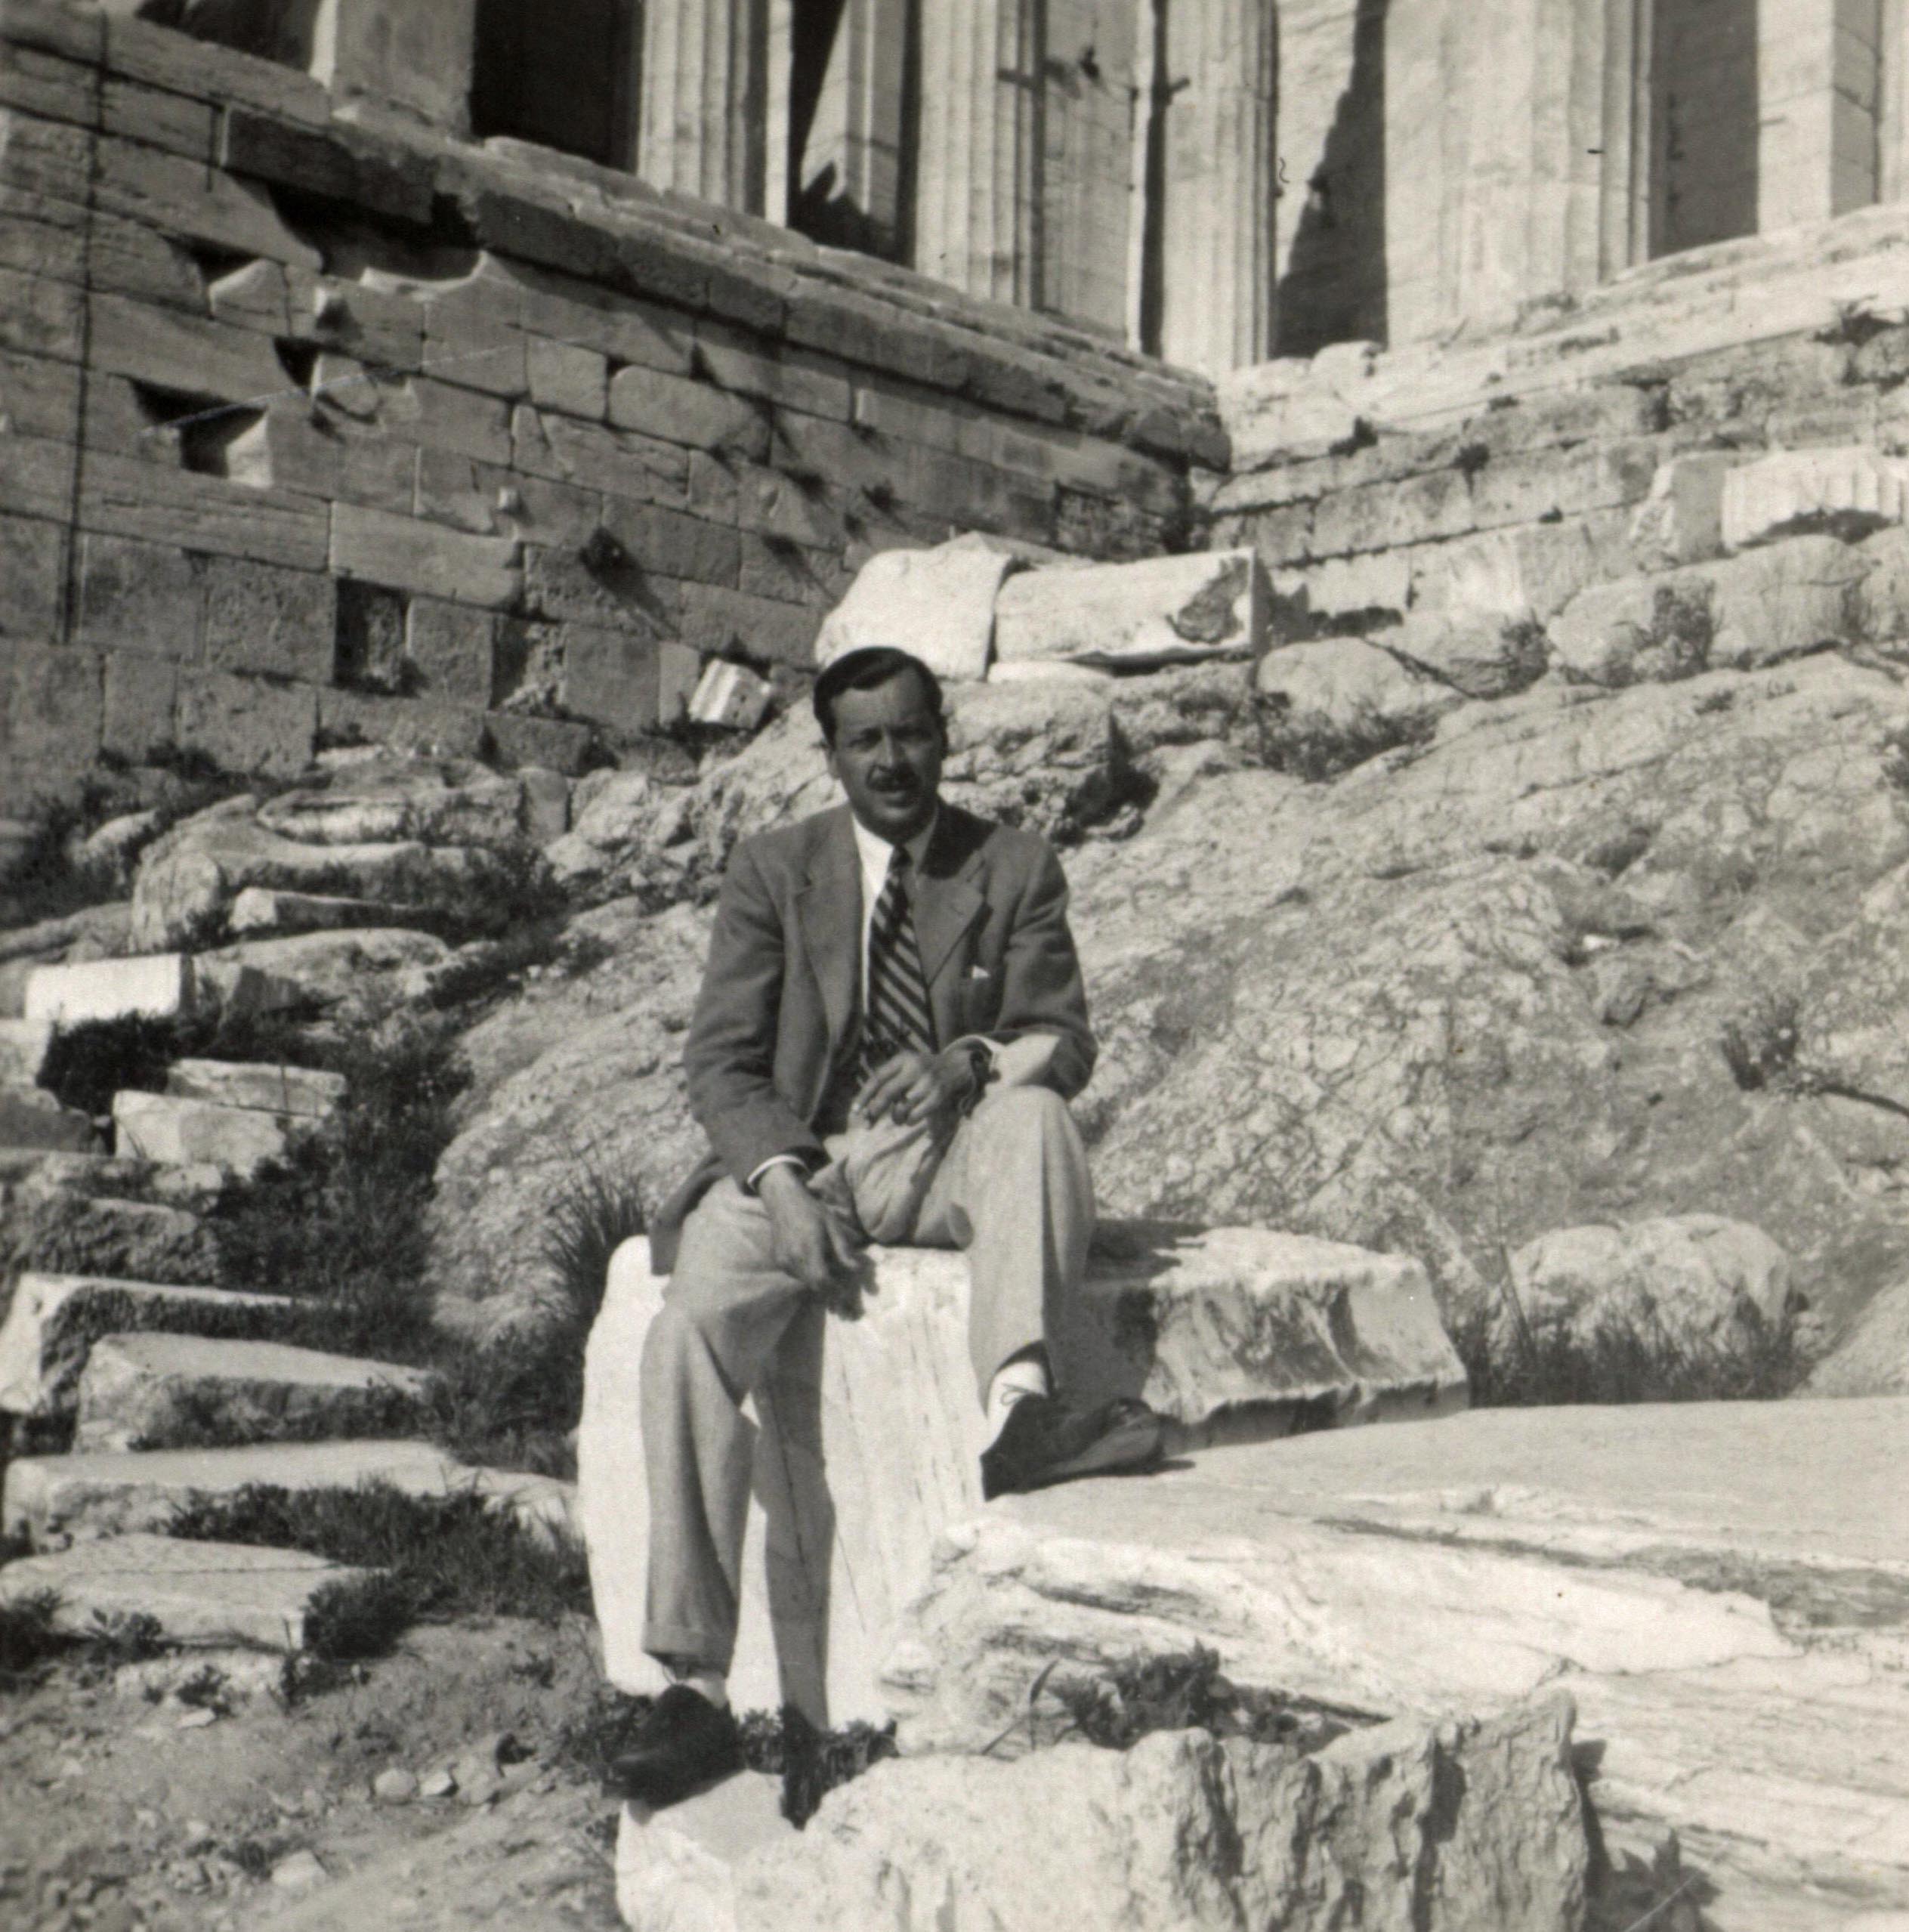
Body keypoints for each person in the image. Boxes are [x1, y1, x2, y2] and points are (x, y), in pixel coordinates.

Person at [610, 644, 1165, 1809]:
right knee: (687, 1335)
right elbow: (722, 1062)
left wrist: (965, 1062)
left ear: (944, 736)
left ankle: (1024, 1414)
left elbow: (1062, 1036)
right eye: (864, 740)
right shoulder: (775, 870)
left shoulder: (1012, 866)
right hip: (800, 1166)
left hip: (941, 1152)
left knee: (1037, 1118)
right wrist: (780, 1182)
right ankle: (693, 1688)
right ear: (831, 755)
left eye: (911, 732)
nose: (892, 760)